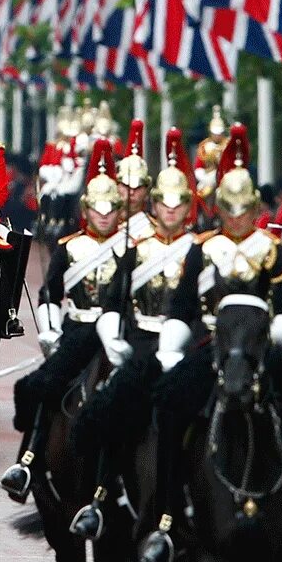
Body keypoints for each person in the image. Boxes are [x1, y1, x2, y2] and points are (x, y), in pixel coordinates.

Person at [147, 127, 282, 562]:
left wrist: (278, 336)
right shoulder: (202, 249)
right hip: (209, 346)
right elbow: (180, 307)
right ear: (218, 209)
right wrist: (173, 345)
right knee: (169, 409)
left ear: (255, 208)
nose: (235, 218)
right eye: (228, 210)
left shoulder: (274, 251)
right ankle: (166, 520)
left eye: (243, 209)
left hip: (263, 347)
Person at [68, 130, 203, 540]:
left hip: (189, 347)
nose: (170, 210)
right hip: (142, 343)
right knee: (113, 403)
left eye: (179, 203)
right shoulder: (134, 248)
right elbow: (113, 302)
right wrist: (112, 338)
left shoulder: (202, 249)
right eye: (164, 202)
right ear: (154, 203)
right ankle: (101, 493)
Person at [1, 137, 126, 501]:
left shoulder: (131, 249)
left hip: (118, 334)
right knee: (46, 388)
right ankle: (28, 460)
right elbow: (50, 294)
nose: (104, 215)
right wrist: (51, 327)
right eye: (97, 209)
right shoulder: (70, 247)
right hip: (77, 329)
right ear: (86, 209)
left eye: (110, 209)